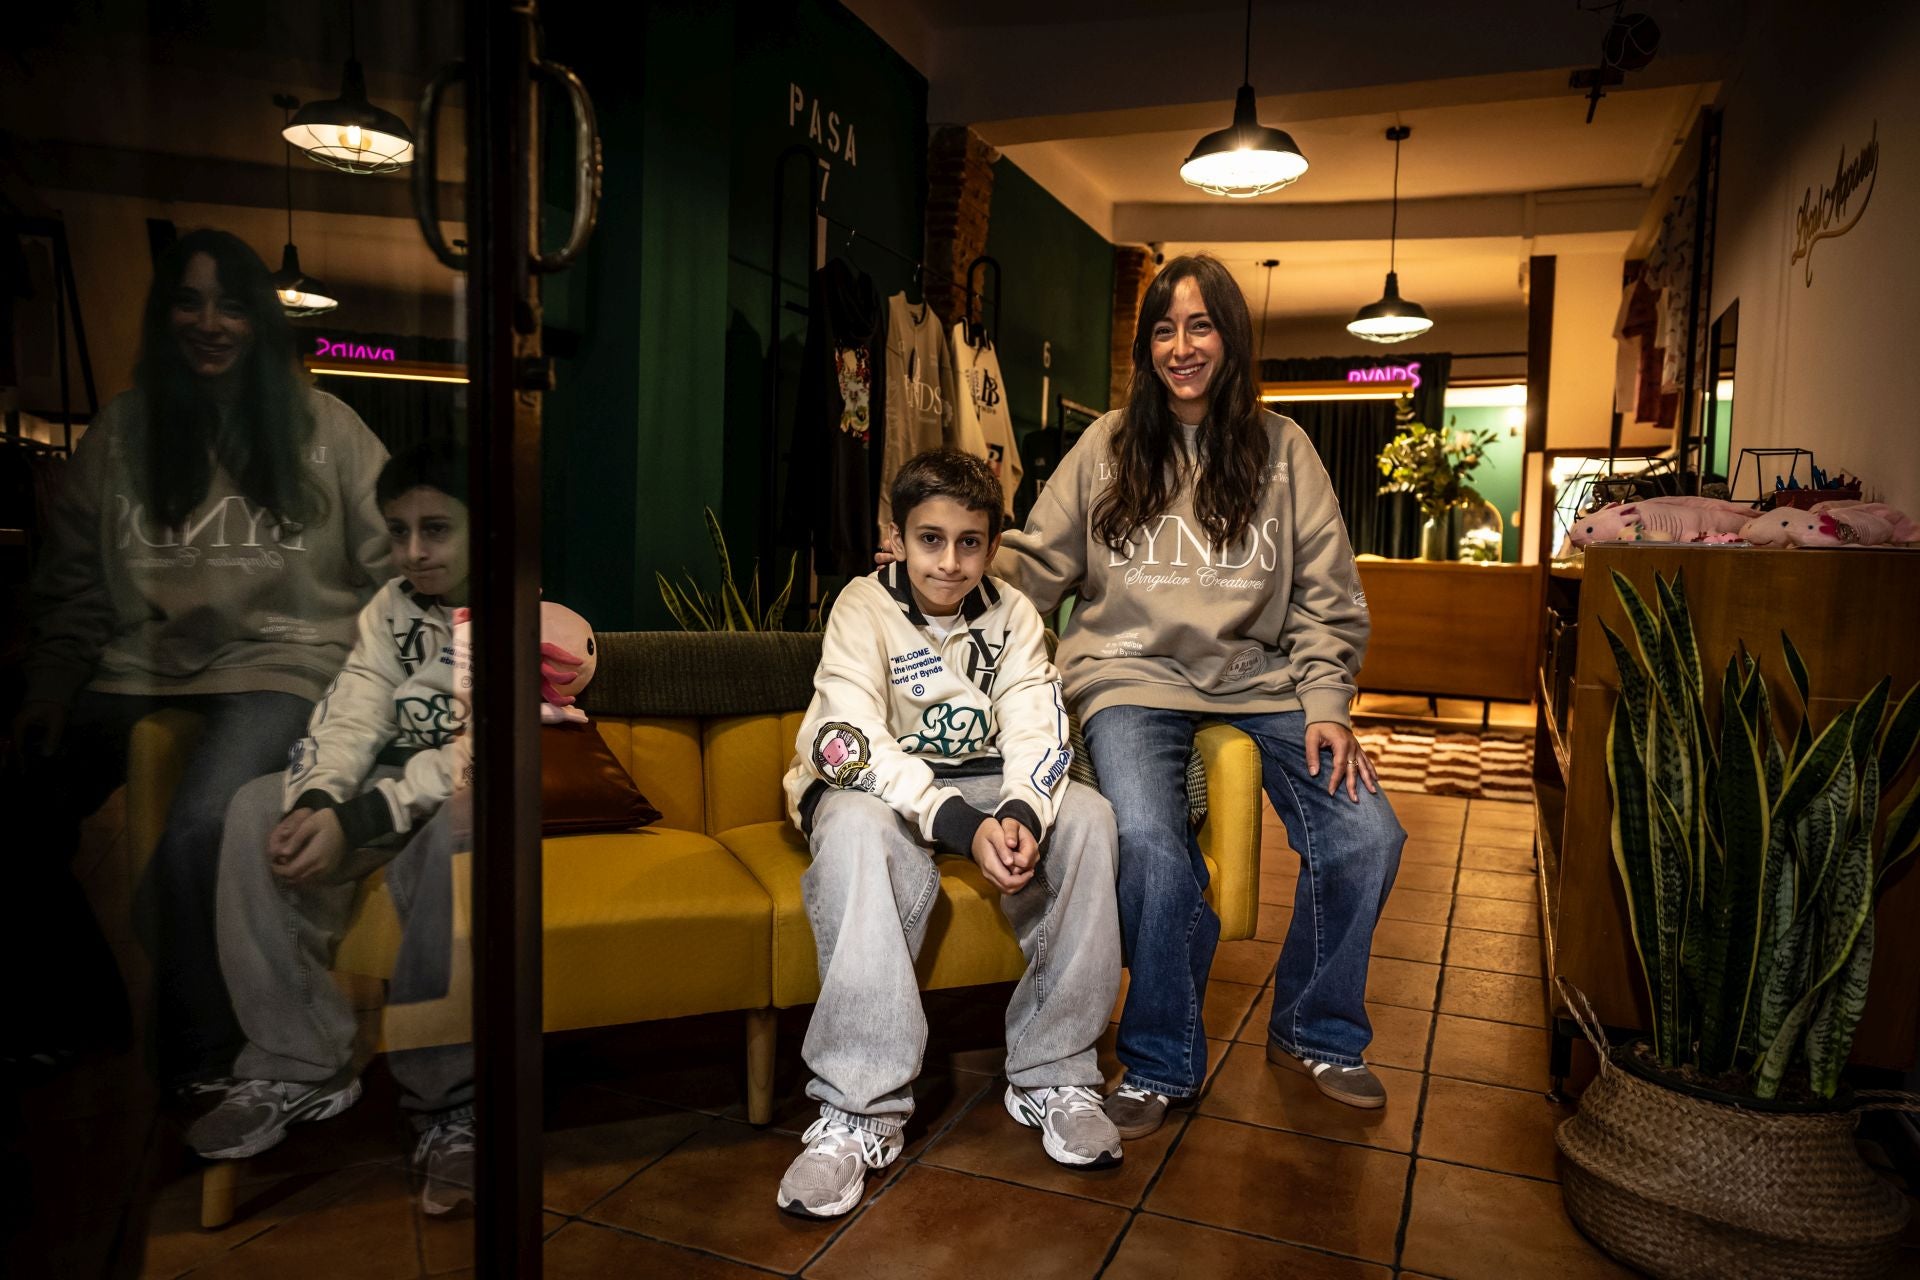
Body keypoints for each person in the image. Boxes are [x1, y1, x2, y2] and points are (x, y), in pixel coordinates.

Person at [984, 253, 1406, 1135]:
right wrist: (949, 580)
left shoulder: (1285, 451)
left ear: (1231, 337)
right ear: (1146, 347)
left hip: (1263, 682)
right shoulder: (1106, 444)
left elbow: (1329, 598)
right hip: (1129, 677)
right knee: (1148, 840)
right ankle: (1159, 1059)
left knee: (1367, 833)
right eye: (1165, 329)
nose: (1182, 346)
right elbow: (1036, 563)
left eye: (1200, 325)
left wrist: (1326, 704)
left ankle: (1315, 1027)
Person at [8, 229, 390, 1088]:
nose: (210, 322)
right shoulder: (122, 431)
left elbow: (398, 564)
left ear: (261, 320)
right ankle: (76, 1007)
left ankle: (203, 1057)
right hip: (135, 663)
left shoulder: (324, 426)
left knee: (203, 827)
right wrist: (51, 684)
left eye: (230, 304)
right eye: (190, 301)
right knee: (16, 799)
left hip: (281, 665)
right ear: (164, 314)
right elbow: (71, 582)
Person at [777, 449, 1123, 1219]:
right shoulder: (860, 607)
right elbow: (847, 734)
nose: (950, 560)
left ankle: (1056, 1073)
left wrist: (1025, 814)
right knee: (859, 832)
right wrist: (962, 825)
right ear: (895, 536)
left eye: (970, 541)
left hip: (983, 781)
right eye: (930, 539)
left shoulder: (1016, 615)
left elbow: (1039, 724)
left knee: (1092, 819)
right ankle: (859, 1112)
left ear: (993, 544)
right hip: (877, 785)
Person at [188, 440, 476, 1216]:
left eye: (437, 529)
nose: (413, 550)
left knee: (449, 845)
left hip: (465, 792)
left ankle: (448, 1104)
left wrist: (360, 818)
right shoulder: (388, 607)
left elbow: (480, 747)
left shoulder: (526, 608)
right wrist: (318, 800)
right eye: (398, 529)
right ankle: (300, 1060)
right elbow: (353, 708)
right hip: (381, 789)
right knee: (255, 809)